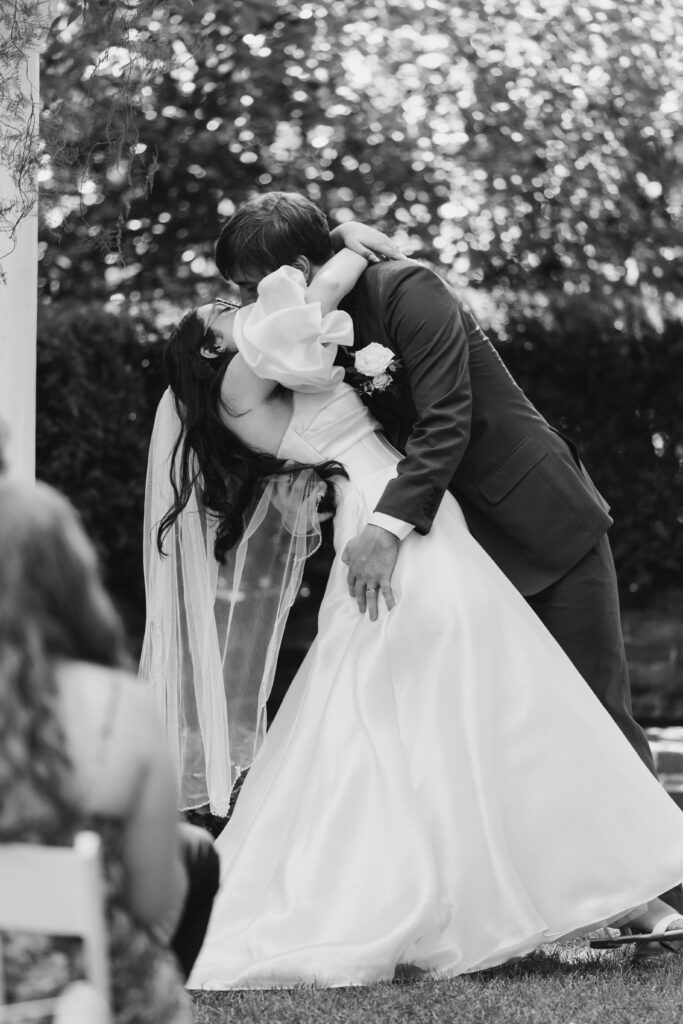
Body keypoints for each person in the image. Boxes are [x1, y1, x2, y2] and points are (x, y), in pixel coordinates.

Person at [143, 247, 683, 989]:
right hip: (387, 523)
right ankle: (494, 889)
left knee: (474, 690)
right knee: (456, 686)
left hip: (406, 513)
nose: (242, 308)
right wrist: (351, 245)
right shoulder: (241, 383)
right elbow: (307, 304)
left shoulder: (265, 367)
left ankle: (586, 882)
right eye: (224, 313)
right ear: (210, 350)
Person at [0, 479, 212, 1021]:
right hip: (96, 993)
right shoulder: (123, 707)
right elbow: (151, 900)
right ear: (70, 580)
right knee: (197, 855)